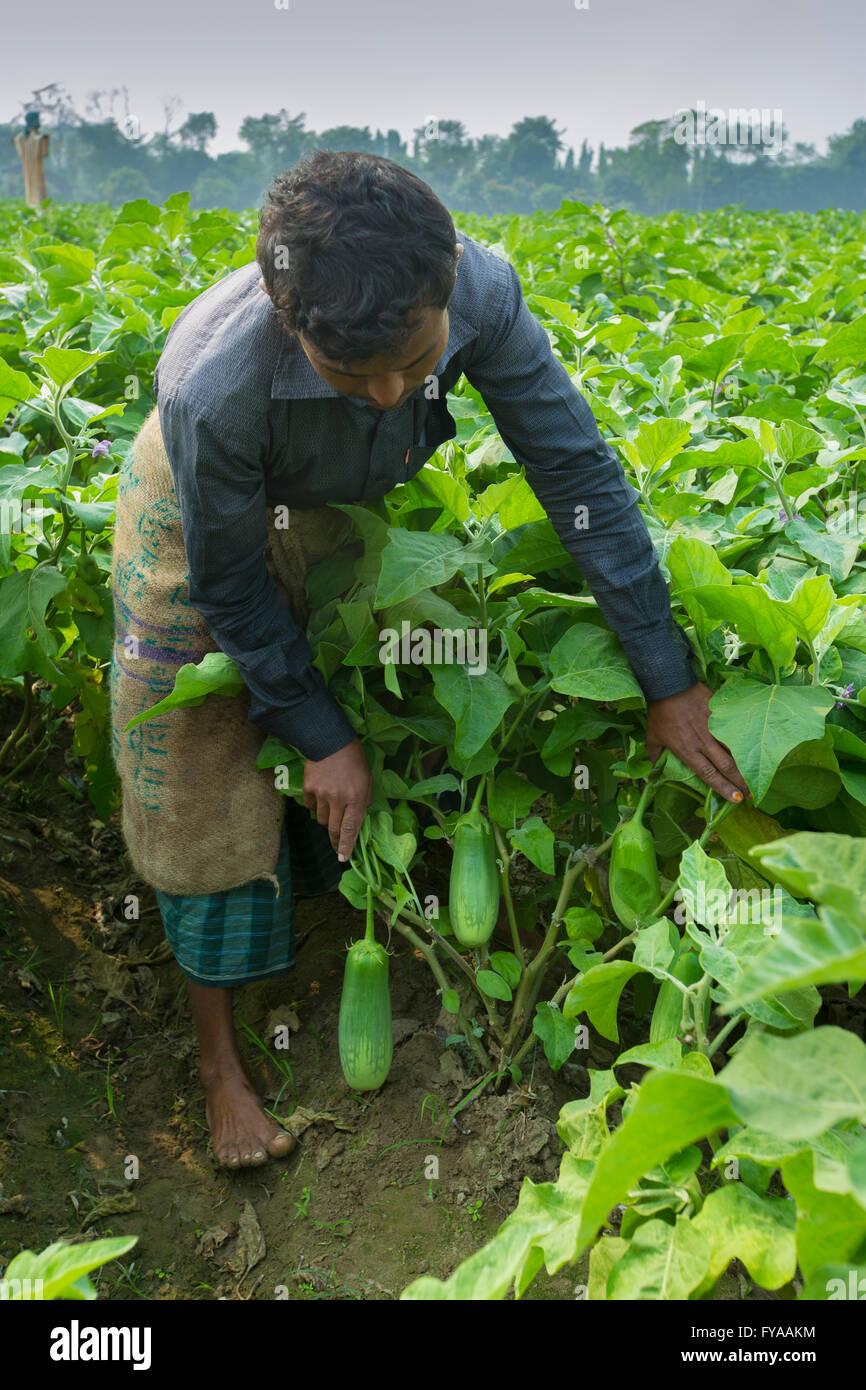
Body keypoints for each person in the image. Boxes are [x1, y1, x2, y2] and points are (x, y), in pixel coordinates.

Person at [111, 151, 748, 1169]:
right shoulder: (214, 391)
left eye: (413, 363)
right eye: (347, 374)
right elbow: (232, 587)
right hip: (200, 518)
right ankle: (220, 1064)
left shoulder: (478, 290)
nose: (384, 394)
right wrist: (318, 734)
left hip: (344, 509)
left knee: (405, 688)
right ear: (291, 326)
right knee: (194, 763)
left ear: (444, 287)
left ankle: (324, 918)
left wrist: (666, 678)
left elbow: (574, 473)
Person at [12, 111, 49, 207]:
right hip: (29, 165)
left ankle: (39, 208)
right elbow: (21, 140)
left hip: (37, 166)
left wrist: (42, 139)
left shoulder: (34, 134)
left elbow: (43, 152)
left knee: (40, 189)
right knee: (33, 187)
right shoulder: (26, 134)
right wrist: (41, 139)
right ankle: (34, 206)